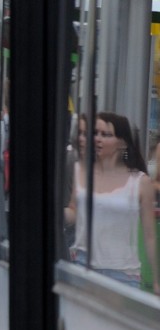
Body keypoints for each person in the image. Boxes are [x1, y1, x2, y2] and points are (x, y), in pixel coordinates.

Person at [66, 112, 160, 292]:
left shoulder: (140, 182)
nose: (98, 139)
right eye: (96, 133)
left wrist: (156, 280)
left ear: (122, 143)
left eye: (106, 135)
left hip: (122, 274)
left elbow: (149, 234)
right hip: (82, 264)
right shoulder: (81, 171)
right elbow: (74, 211)